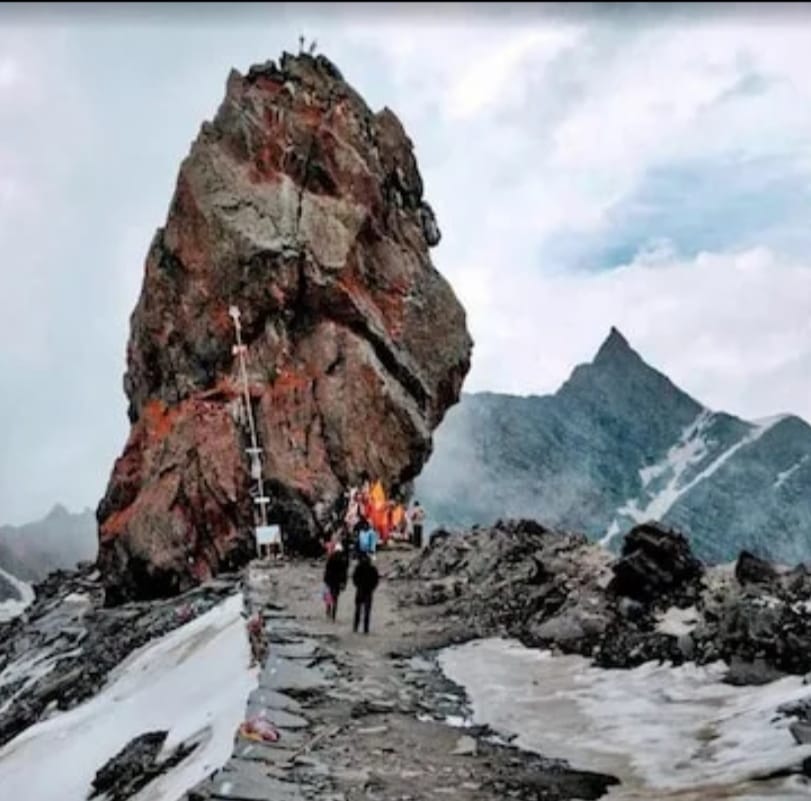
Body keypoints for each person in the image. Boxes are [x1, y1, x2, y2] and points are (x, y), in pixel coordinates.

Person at [353, 552, 379, 634]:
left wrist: (358, 585)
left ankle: (355, 627)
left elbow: (354, 578)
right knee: (367, 611)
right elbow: (376, 580)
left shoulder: (358, 568)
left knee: (358, 610)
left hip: (360, 591)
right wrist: (372, 588)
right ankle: (365, 629)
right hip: (368, 591)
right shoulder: (372, 568)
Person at [323, 543, 348, 622]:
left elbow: (327, 570)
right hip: (337, 581)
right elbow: (344, 573)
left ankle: (328, 610)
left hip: (329, 580)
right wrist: (344, 583)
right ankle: (334, 615)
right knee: (335, 598)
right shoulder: (343, 560)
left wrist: (325, 579)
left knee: (328, 595)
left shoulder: (331, 558)